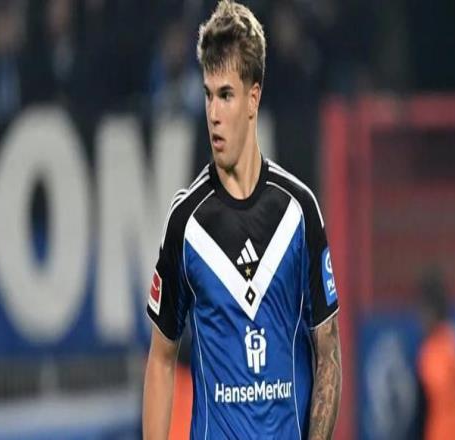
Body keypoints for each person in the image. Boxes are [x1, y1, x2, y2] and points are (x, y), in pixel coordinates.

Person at [143, 1, 342, 438]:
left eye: (227, 95)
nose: (214, 113)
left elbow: (328, 350)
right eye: (208, 94)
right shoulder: (187, 223)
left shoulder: (298, 212)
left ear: (253, 97)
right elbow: (161, 358)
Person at [416, 271, 455, 440]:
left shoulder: (438, 351)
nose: (420, 319)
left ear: (432, 312)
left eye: (423, 312)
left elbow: (437, 388)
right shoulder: (453, 340)